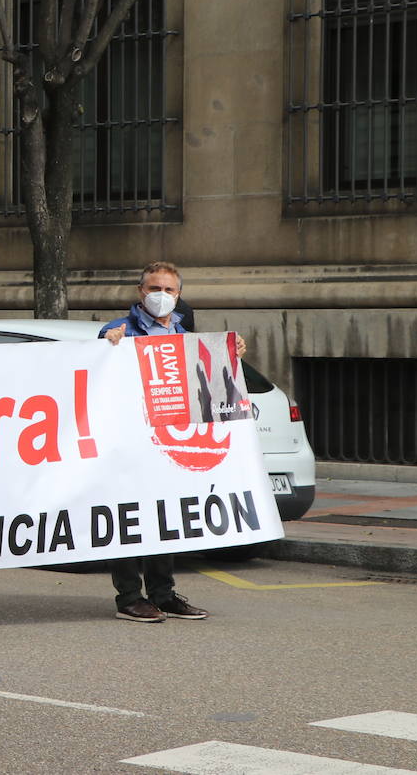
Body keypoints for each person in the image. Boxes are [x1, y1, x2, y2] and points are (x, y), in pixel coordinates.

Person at [100, 260, 246, 623]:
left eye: (168, 290)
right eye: (153, 288)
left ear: (179, 295)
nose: (161, 296)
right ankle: (130, 596)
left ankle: (163, 594)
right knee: (129, 519)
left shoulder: (184, 332)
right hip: (130, 440)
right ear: (140, 292)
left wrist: (230, 354)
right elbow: (98, 376)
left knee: (166, 517)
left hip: (170, 440)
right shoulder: (120, 331)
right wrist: (105, 347)